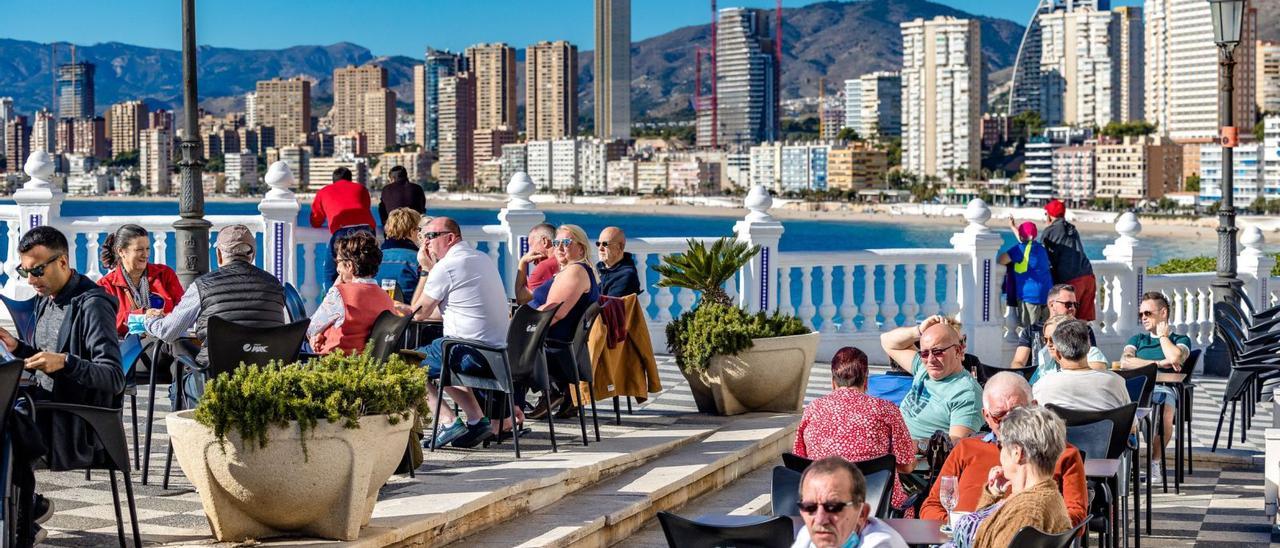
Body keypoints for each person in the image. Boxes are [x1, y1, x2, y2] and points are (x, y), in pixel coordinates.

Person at [1, 226, 124, 545]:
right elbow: (46, 359)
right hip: (43, 410)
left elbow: (113, 377)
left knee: (6, 432)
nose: (31, 281)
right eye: (25, 271)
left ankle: (23, 518)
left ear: (63, 263)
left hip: (75, 424)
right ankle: (27, 511)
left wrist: (67, 362)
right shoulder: (47, 299)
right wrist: (17, 348)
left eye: (38, 270)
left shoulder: (92, 304)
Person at [920, 373, 1087, 528]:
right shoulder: (966, 448)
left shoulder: (1062, 453)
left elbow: (1076, 517)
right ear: (986, 416)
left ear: (1034, 407)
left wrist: (1022, 528)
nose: (1008, 423)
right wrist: (960, 527)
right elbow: (931, 506)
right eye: (999, 416)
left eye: (1017, 413)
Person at [144, 225, 285, 404]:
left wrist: (151, 319)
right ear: (252, 254)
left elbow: (168, 332)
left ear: (219, 255)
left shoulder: (203, 285)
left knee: (179, 377)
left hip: (214, 383)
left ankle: (187, 430)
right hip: (265, 383)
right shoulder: (275, 286)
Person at [409, 216, 511, 448]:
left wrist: (426, 270)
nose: (426, 244)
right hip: (497, 353)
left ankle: (447, 421)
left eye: (430, 237)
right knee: (440, 356)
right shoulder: (481, 258)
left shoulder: (446, 266)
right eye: (423, 238)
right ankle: (477, 421)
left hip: (470, 354)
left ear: (450, 238)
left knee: (407, 363)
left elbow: (418, 314)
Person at [794, 347, 917, 513]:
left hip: (824, 506)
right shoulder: (886, 410)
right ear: (865, 381)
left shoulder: (812, 409)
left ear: (833, 381)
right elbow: (907, 466)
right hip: (878, 508)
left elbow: (800, 463)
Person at [944, 406, 1072, 548]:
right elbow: (983, 534)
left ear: (1017, 453)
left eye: (1002, 445)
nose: (1000, 452)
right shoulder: (1044, 497)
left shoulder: (1026, 512)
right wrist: (992, 495)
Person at [525, 224, 601, 420]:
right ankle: (560, 394)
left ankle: (506, 412)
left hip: (551, 345)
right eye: (556, 242)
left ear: (581, 248)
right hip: (555, 341)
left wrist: (522, 328)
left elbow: (554, 313)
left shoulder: (575, 271)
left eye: (566, 242)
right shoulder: (573, 270)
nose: (559, 247)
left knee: (499, 350)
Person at [1120, 291, 1191, 478]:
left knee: (1166, 412)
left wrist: (1162, 337)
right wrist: (1158, 364)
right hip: (1136, 389)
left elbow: (1176, 357)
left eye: (1148, 313)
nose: (1143, 318)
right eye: (1141, 314)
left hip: (1164, 389)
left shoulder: (1180, 341)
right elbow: (1125, 361)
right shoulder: (1137, 340)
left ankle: (1155, 463)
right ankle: (1127, 464)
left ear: (1163, 313)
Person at [880, 315, 984, 441]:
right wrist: (918, 331)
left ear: (957, 351)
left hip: (916, 458)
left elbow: (956, 446)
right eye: (924, 353)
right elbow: (886, 341)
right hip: (889, 445)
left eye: (938, 352)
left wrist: (917, 446)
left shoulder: (966, 393)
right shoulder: (923, 368)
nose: (930, 360)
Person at [308, 231, 398, 354]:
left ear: (349, 265)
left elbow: (310, 328)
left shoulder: (341, 294)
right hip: (368, 365)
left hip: (336, 364)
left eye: (338, 262)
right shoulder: (386, 298)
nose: (337, 268)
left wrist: (334, 288)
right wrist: (323, 333)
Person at [792, 456, 909, 548]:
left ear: (862, 514)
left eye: (833, 507)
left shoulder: (881, 544)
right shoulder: (807, 535)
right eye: (809, 507)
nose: (820, 519)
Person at [96, 224, 184, 337]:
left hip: (165, 340)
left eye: (147, 249)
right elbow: (104, 323)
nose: (146, 255)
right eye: (139, 250)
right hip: (128, 348)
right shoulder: (106, 286)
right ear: (121, 251)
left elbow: (182, 309)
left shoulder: (164, 274)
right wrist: (143, 316)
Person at [1032, 319, 1131, 412]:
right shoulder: (1116, 382)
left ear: (1057, 352)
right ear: (1088, 348)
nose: (1048, 344)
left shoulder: (1042, 386)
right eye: (1045, 339)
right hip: (1107, 430)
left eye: (1051, 340)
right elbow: (1131, 425)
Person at [311, 167, 376, 285]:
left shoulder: (324, 191)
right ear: (350, 179)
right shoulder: (361, 188)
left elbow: (316, 221)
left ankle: (332, 300)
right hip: (367, 229)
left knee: (330, 272)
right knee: (367, 268)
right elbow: (365, 207)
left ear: (333, 181)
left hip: (343, 231)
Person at [1009, 284, 1096, 370]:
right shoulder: (1031, 330)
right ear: (1051, 305)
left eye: (1075, 304)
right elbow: (1018, 362)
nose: (1072, 308)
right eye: (1068, 304)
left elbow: (1095, 361)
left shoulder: (1084, 330)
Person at [1041, 199, 1096, 322]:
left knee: (1065, 322)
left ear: (1049, 215)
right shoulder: (1071, 228)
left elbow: (1042, 258)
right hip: (1088, 276)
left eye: (1046, 214)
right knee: (1082, 321)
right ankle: (1084, 341)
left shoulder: (1049, 232)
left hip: (1071, 279)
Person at [998, 220, 1052, 330]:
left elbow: (1001, 260)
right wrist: (1013, 227)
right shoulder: (1041, 248)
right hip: (1046, 295)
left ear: (1021, 237)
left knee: (1030, 332)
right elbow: (1026, 241)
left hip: (1030, 297)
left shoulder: (1019, 249)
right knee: (1043, 330)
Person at [1024, 314, 1108, 383]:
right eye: (1045, 339)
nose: (1048, 344)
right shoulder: (1046, 360)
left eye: (1053, 339)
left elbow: (1095, 378)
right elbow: (1032, 386)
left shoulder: (1091, 353)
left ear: (1069, 337)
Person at [375, 207, 423, 303]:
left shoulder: (374, 258)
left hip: (378, 311)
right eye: (419, 229)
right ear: (412, 230)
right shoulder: (419, 260)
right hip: (409, 312)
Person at [514, 222, 560, 304]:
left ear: (544, 241)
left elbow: (521, 299)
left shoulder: (545, 266)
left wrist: (522, 262)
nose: (530, 251)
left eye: (531, 245)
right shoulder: (566, 261)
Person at [596, 226, 641, 298]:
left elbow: (607, 306)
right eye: (598, 244)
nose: (600, 248)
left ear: (620, 247)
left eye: (605, 244)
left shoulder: (626, 275)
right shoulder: (599, 268)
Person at [376, 165, 426, 230]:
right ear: (406, 176)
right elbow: (422, 209)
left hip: (393, 229)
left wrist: (385, 224)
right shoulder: (417, 188)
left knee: (381, 206)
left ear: (392, 178)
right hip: (413, 229)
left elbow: (382, 210)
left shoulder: (386, 189)